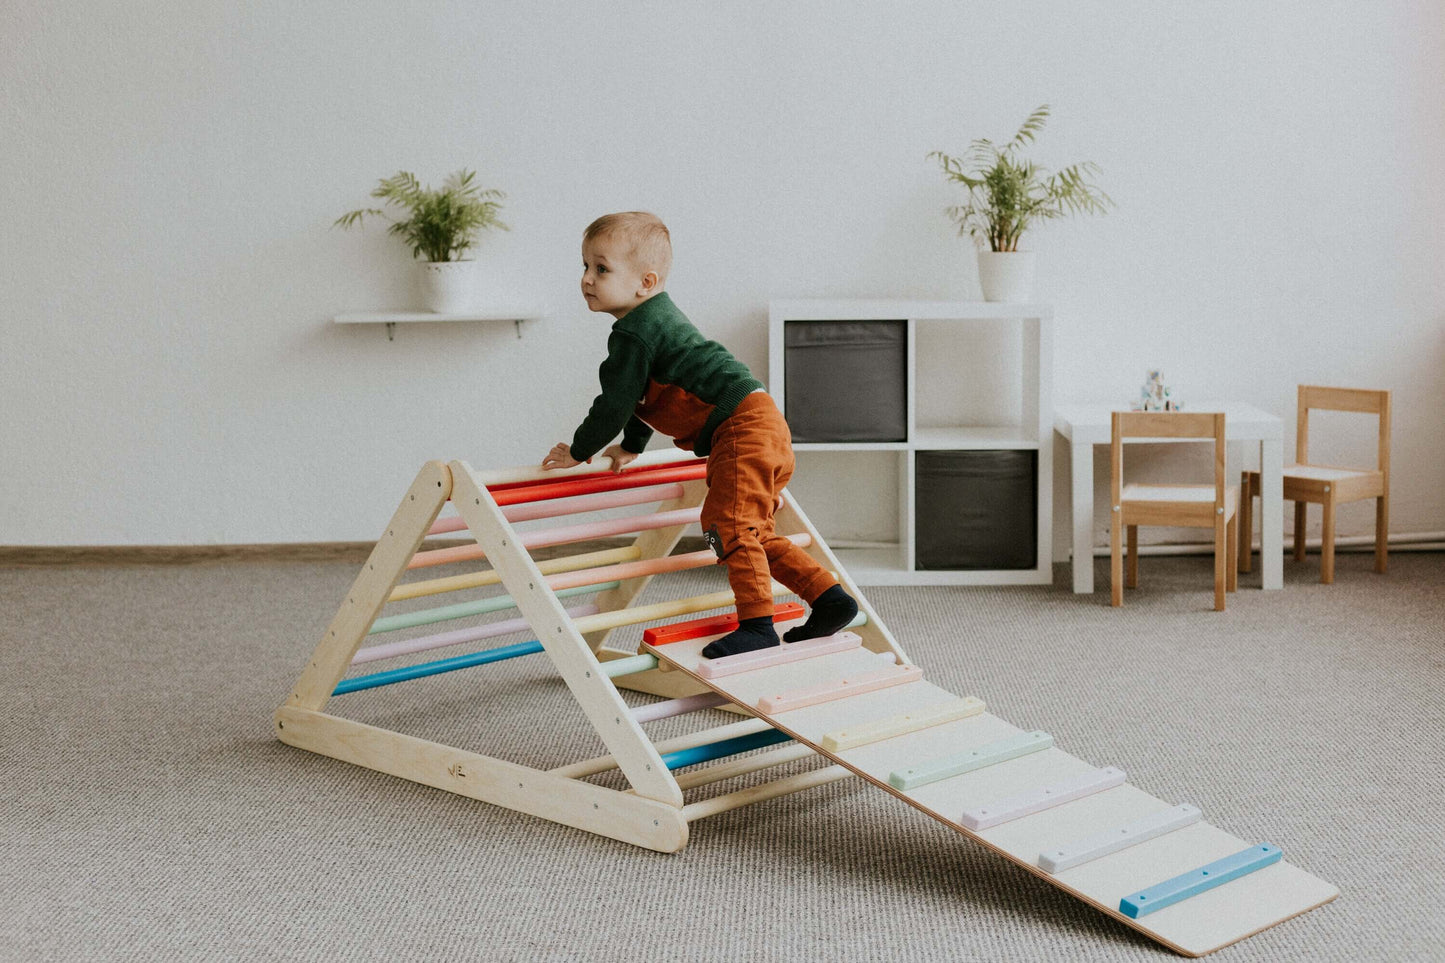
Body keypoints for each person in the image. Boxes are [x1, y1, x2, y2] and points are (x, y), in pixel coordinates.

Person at [540, 211, 857, 659]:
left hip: (741, 430)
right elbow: (640, 397)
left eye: (602, 268)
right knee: (751, 532)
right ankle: (829, 599)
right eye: (585, 266)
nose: (587, 279)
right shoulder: (655, 322)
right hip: (763, 423)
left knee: (723, 528)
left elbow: (614, 402)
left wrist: (579, 450)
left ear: (645, 282)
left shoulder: (633, 334)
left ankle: (757, 626)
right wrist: (632, 445)